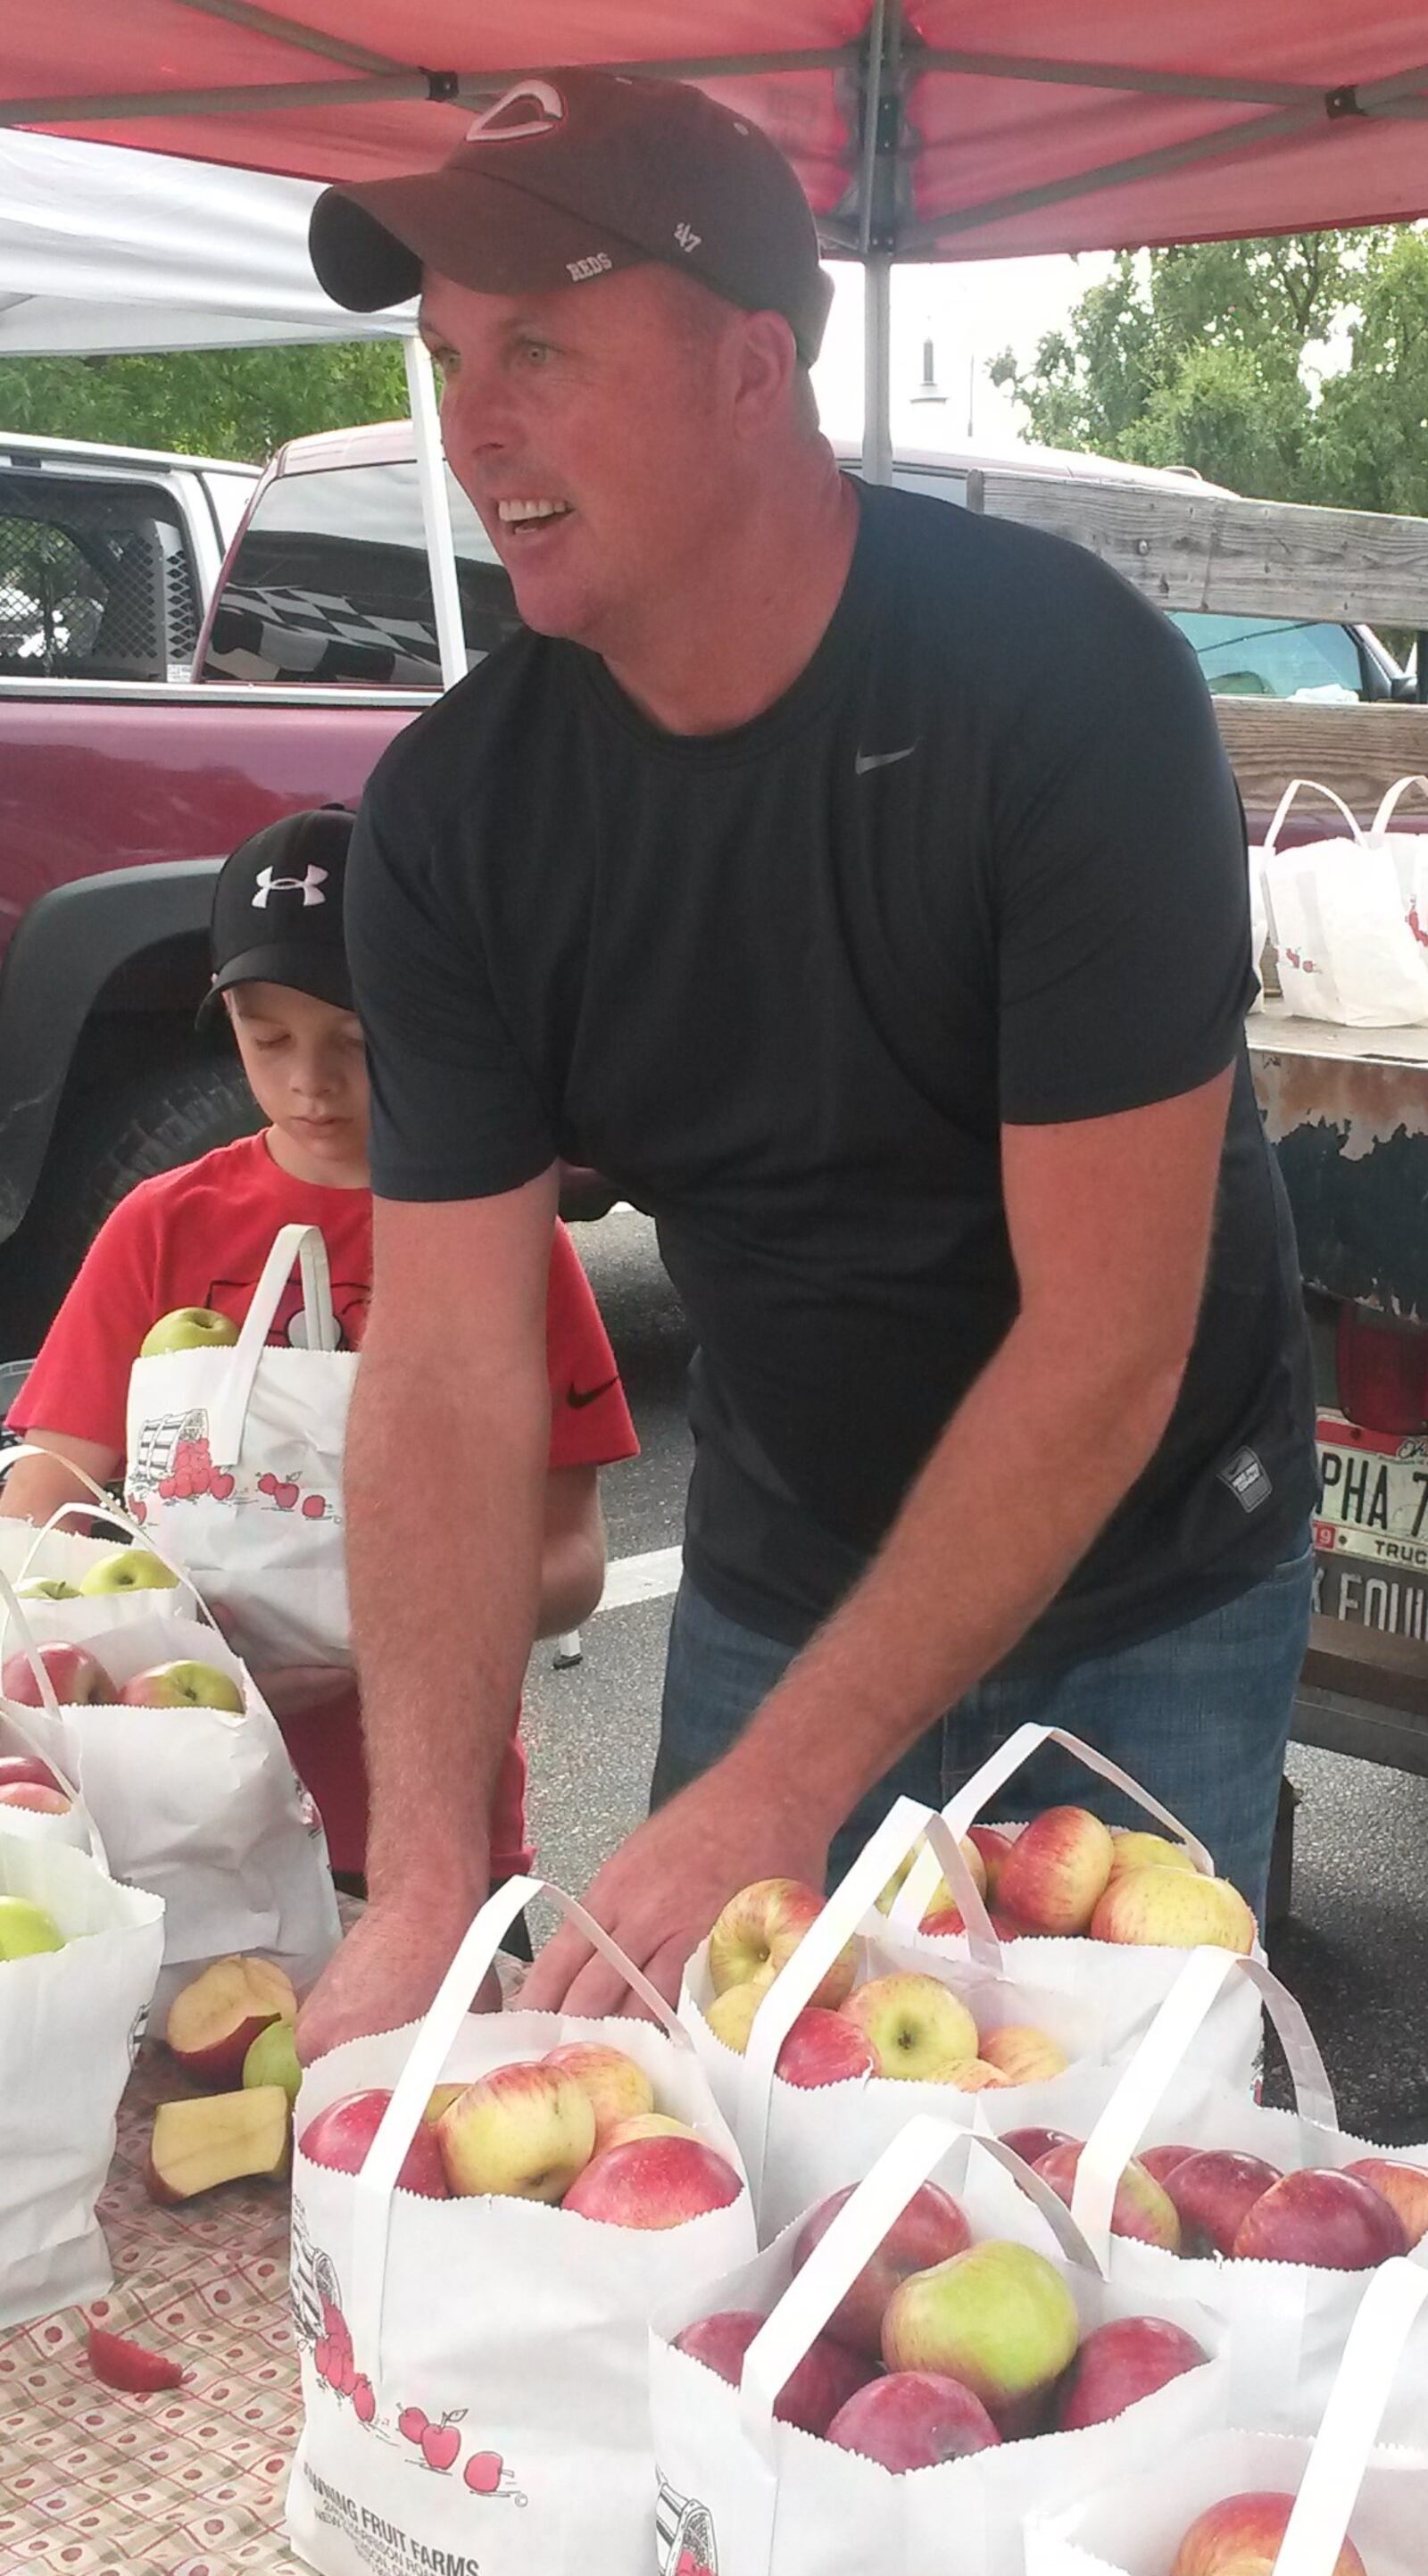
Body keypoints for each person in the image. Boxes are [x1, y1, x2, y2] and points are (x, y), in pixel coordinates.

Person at [296, 69, 1316, 2051]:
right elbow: (439, 1368)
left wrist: (760, 1796)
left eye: (536, 348)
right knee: (738, 2230)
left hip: (1150, 1569)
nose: (467, 424)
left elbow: (1104, 1335)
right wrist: (421, 1872)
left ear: (750, 371)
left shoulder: (1064, 694)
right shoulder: (452, 822)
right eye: (442, 356)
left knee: (1116, 2220)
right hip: (786, 1551)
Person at [1, 805, 637, 1906]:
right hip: (184, 1815)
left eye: (356, 1036)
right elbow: (37, 1512)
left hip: (429, 1820)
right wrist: (151, 1642)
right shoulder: (164, 1226)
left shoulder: (497, 1241)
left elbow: (572, 1560)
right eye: (267, 1034)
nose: (309, 1082)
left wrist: (389, 1627)